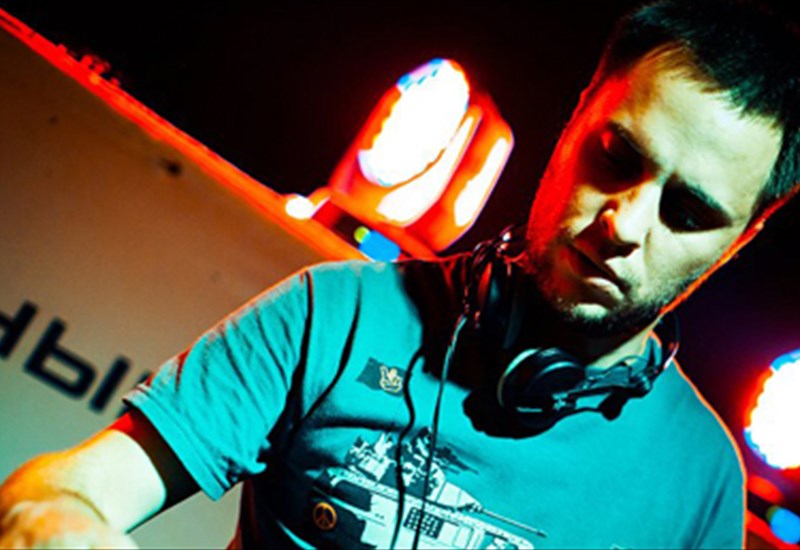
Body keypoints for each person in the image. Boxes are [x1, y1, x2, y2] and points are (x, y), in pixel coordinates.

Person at [1, 0, 798, 548]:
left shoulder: (700, 482)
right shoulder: (335, 314)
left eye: (686, 211)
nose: (623, 223)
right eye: (616, 156)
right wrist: (62, 520)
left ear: (742, 238)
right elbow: (69, 488)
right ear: (575, 116)